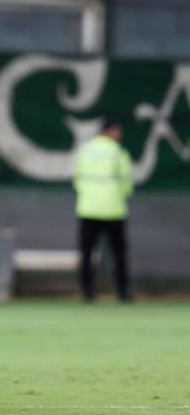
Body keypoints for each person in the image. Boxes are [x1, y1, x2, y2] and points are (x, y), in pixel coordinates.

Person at [73, 117, 134, 303]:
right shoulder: (118, 152)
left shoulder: (84, 150)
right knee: (119, 255)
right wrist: (119, 195)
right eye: (117, 131)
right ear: (109, 131)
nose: (120, 134)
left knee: (87, 254)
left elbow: (77, 180)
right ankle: (123, 294)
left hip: (88, 209)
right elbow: (127, 183)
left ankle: (87, 294)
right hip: (114, 210)